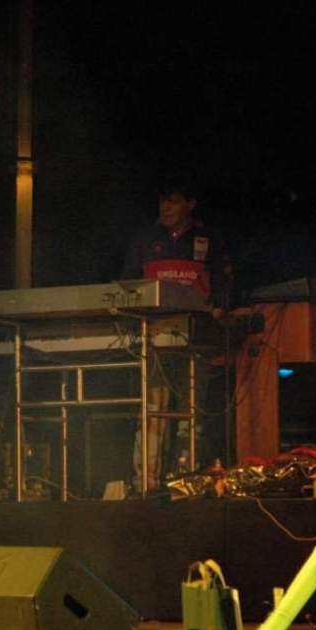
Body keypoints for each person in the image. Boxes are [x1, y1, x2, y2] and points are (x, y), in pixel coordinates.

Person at [121, 183, 231, 489]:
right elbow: (127, 281)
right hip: (153, 337)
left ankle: (186, 479)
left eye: (173, 201)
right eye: (162, 201)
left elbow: (223, 282)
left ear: (190, 204)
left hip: (196, 337)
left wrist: (218, 309)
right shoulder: (145, 238)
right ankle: (145, 482)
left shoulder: (209, 238)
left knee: (191, 410)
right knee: (152, 409)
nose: (165, 207)